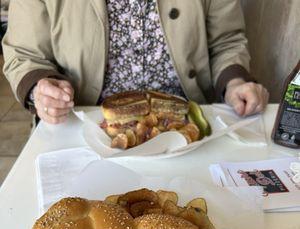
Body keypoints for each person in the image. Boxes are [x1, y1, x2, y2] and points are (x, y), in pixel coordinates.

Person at [2, 0, 269, 125]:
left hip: (187, 124)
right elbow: (24, 53)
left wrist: (235, 83)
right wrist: (41, 89)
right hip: (87, 123)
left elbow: (227, 41)